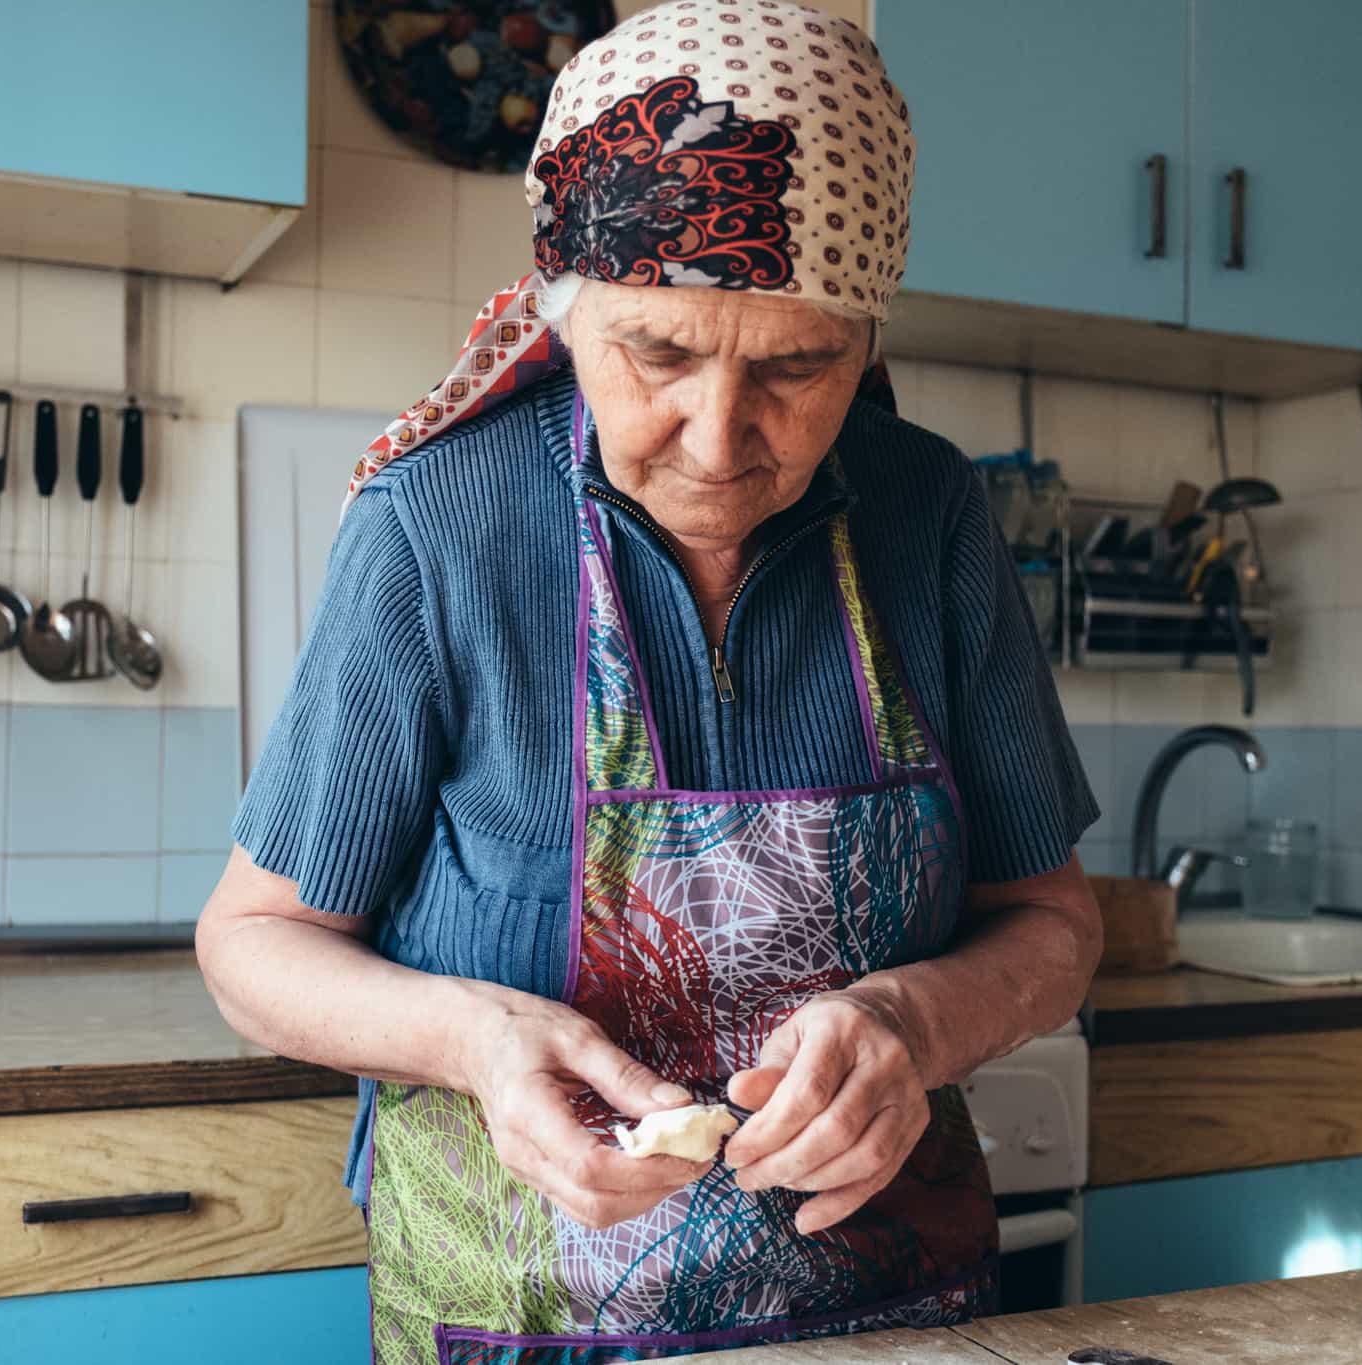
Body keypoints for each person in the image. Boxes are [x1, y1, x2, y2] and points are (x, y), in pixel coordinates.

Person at [198, 3, 1102, 1359]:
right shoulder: (439, 527)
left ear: (865, 338)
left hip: (890, 1320)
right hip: (512, 1325)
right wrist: (473, 1038)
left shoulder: (930, 520)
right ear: (567, 319)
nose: (720, 434)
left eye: (796, 366)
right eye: (660, 353)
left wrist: (912, 1021)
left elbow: (1052, 922)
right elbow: (251, 944)